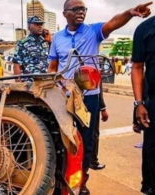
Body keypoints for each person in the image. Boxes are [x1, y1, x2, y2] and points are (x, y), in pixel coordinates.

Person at [47, 0, 152, 194]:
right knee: (61, 139)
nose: (81, 12)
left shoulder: (93, 32)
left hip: (89, 97)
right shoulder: (57, 38)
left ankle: (81, 181)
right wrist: (52, 86)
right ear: (65, 14)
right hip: (63, 97)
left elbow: (113, 22)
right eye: (76, 9)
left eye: (83, 9)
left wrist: (130, 12)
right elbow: (52, 67)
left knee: (86, 141)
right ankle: (59, 178)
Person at [132, 16, 155, 194]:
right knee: (151, 152)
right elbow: (138, 67)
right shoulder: (144, 28)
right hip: (153, 102)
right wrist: (139, 104)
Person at [90, 82, 109, 170]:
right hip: (91, 101)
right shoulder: (94, 68)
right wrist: (103, 108)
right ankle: (93, 161)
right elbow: (98, 90)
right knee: (94, 134)